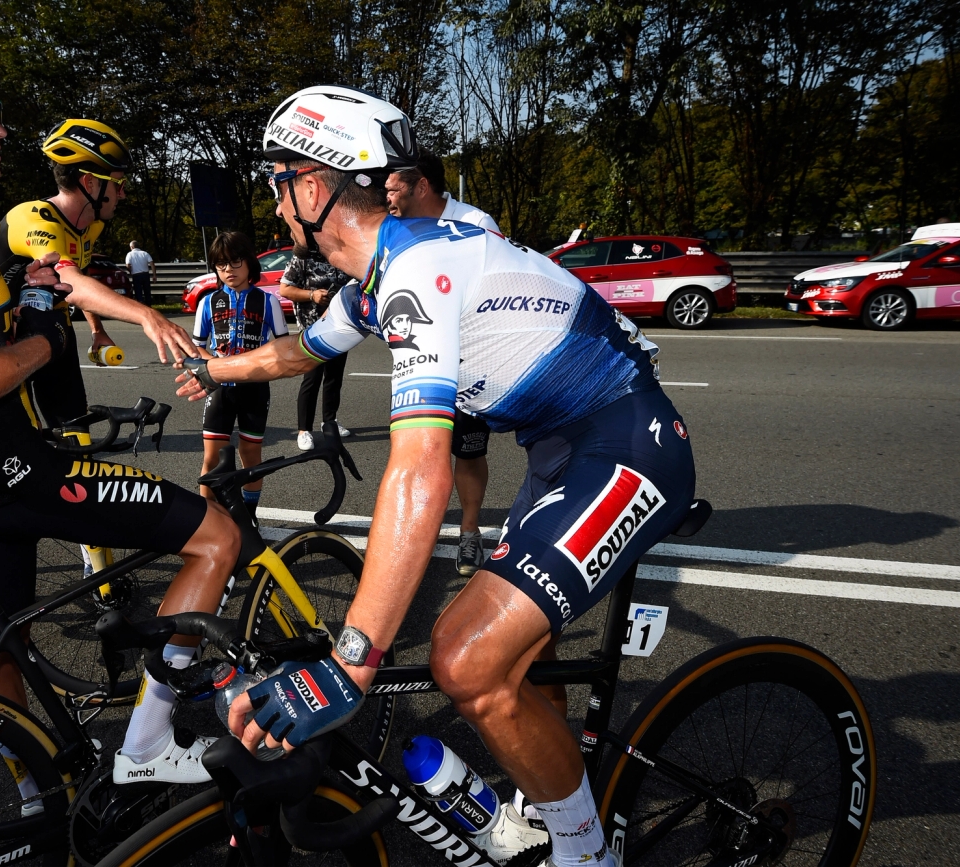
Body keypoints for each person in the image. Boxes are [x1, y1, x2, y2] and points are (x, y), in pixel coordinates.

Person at [178, 85, 694, 867]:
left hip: (631, 442)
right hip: (562, 449)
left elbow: (419, 465)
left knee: (464, 658)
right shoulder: (382, 274)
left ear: (312, 189)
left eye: (279, 183)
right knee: (520, 651)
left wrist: (353, 659)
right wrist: (211, 365)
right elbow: (298, 352)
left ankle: (587, 855)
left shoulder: (419, 271)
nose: (276, 207)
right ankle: (556, 790)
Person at [0, 32, 240, 789]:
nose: (0, 130)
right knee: (217, 537)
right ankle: (149, 744)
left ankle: (37, 794)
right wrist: (44, 331)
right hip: (9, 465)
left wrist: (26, 299)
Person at [386, 146, 502, 577]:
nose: (388, 198)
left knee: (468, 455)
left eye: (394, 189)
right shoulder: (396, 229)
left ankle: (470, 533)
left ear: (421, 186)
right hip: (416, 360)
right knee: (415, 454)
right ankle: (411, 544)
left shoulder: (476, 223)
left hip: (469, 363)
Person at [0, 119, 130, 432]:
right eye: (118, 184)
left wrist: (97, 330)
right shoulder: (35, 220)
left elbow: (79, 277)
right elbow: (73, 282)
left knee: (75, 435)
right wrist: (150, 318)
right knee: (25, 442)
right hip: (3, 340)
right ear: (90, 183)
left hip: (54, 328)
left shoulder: (92, 225)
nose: (122, 195)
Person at [192, 231, 288, 514]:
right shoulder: (207, 302)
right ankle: (207, 518)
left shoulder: (267, 301)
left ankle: (249, 514)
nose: (228, 271)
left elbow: (282, 346)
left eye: (235, 262)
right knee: (212, 457)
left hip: (255, 387)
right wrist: (216, 366)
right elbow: (196, 348)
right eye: (221, 265)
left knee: (250, 454)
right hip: (219, 387)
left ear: (249, 263)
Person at [278, 245, 353, 450]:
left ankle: (330, 421)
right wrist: (312, 295)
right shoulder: (303, 255)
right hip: (311, 331)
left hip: (340, 327)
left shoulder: (341, 253)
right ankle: (304, 430)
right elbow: (284, 288)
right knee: (312, 379)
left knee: (334, 378)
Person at [125, 239, 156, 305]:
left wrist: (130, 271)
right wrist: (154, 275)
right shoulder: (145, 253)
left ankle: (141, 305)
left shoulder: (129, 254)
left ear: (132, 247)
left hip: (136, 275)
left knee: (138, 292)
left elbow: (128, 265)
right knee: (147, 291)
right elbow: (152, 264)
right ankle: (148, 305)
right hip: (145, 274)